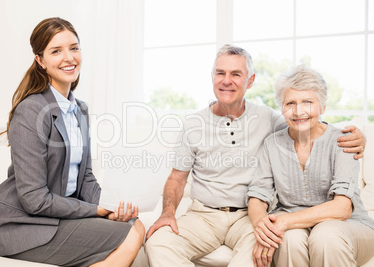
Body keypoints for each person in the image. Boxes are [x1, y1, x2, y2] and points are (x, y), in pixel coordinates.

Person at [144, 44, 366, 266]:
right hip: (203, 216)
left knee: (262, 248)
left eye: (236, 74)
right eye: (220, 73)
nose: (226, 80)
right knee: (158, 243)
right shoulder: (193, 124)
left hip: (247, 218)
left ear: (250, 81)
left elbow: (305, 124)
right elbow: (176, 177)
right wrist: (167, 213)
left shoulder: (268, 119)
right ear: (212, 77)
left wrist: (357, 137)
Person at [0, 17, 145, 267]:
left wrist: (112, 207)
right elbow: (34, 200)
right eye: (56, 51)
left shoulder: (79, 109)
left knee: (134, 224)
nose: (69, 57)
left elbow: (86, 178)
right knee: (132, 233)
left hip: (58, 216)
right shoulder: (31, 110)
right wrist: (97, 211)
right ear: (40, 60)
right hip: (21, 224)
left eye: (74, 47)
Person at [247, 65, 374, 267]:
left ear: (322, 106)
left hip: (350, 227)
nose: (299, 111)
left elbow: (342, 208)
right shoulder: (272, 144)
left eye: (308, 102)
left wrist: (284, 222)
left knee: (325, 235)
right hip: (293, 226)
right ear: (281, 108)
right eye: (290, 103)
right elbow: (257, 196)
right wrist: (263, 230)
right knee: (288, 239)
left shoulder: (344, 141)